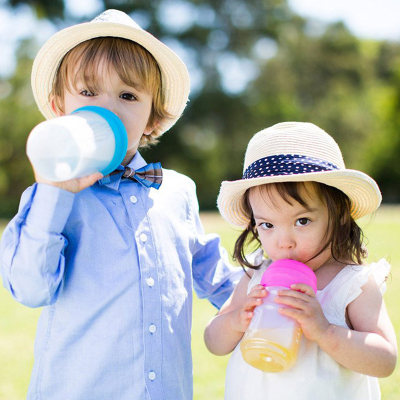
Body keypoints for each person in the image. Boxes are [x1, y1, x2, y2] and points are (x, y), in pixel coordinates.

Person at [0, 9, 240, 400]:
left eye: (128, 96)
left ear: (152, 120)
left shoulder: (177, 192)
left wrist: (262, 296)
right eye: (89, 92)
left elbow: (213, 273)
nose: (108, 107)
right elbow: (29, 288)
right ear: (60, 107)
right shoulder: (50, 197)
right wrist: (55, 192)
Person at [204, 122, 397, 399]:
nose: (284, 241)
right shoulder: (256, 275)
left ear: (340, 213)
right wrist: (236, 320)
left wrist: (326, 332)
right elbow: (213, 341)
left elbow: (385, 360)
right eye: (268, 225)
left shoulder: (353, 284)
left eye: (302, 221)